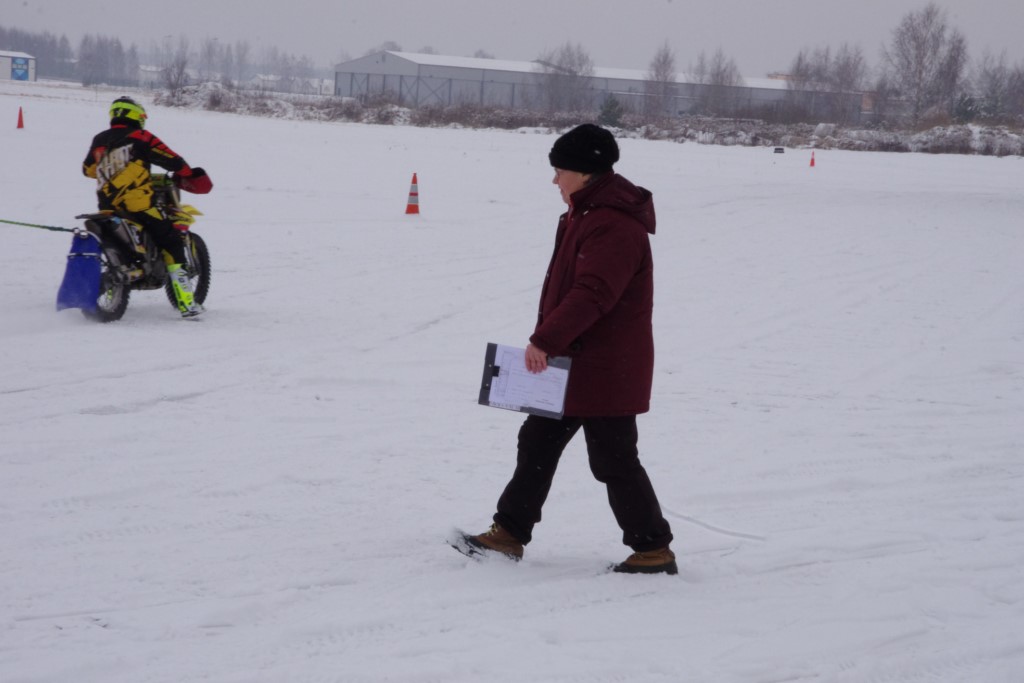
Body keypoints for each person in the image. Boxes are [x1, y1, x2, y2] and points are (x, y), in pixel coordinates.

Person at [465, 123, 676, 574]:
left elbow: (593, 293)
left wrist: (545, 340)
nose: (554, 180)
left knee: (613, 459)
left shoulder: (613, 225)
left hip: (606, 368)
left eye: (559, 171)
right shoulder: (584, 214)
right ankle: (509, 533)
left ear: (584, 172)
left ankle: (653, 549)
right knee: (536, 444)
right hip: (573, 362)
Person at [82, 96, 210, 318]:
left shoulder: (100, 139)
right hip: (139, 205)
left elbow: (88, 170)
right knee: (172, 241)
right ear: (136, 116)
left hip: (107, 205)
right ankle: (187, 303)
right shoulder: (141, 136)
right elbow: (171, 159)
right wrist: (188, 173)